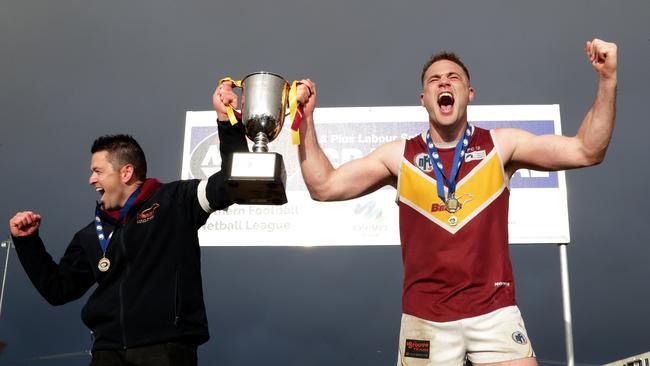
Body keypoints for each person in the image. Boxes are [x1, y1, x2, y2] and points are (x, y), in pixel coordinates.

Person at [294, 39, 617, 365]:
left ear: (469, 93)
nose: (444, 82)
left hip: (494, 312)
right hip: (426, 320)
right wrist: (305, 120)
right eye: (434, 80)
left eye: (453, 77)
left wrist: (607, 79)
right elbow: (324, 186)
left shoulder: (501, 146)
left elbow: (586, 151)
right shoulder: (399, 156)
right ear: (424, 100)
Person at [8, 83, 248, 366]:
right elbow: (58, 290)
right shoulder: (89, 235)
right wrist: (27, 242)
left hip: (165, 348)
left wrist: (226, 121)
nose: (91, 180)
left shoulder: (175, 201)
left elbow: (234, 184)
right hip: (106, 352)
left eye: (97, 171)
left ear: (126, 172)